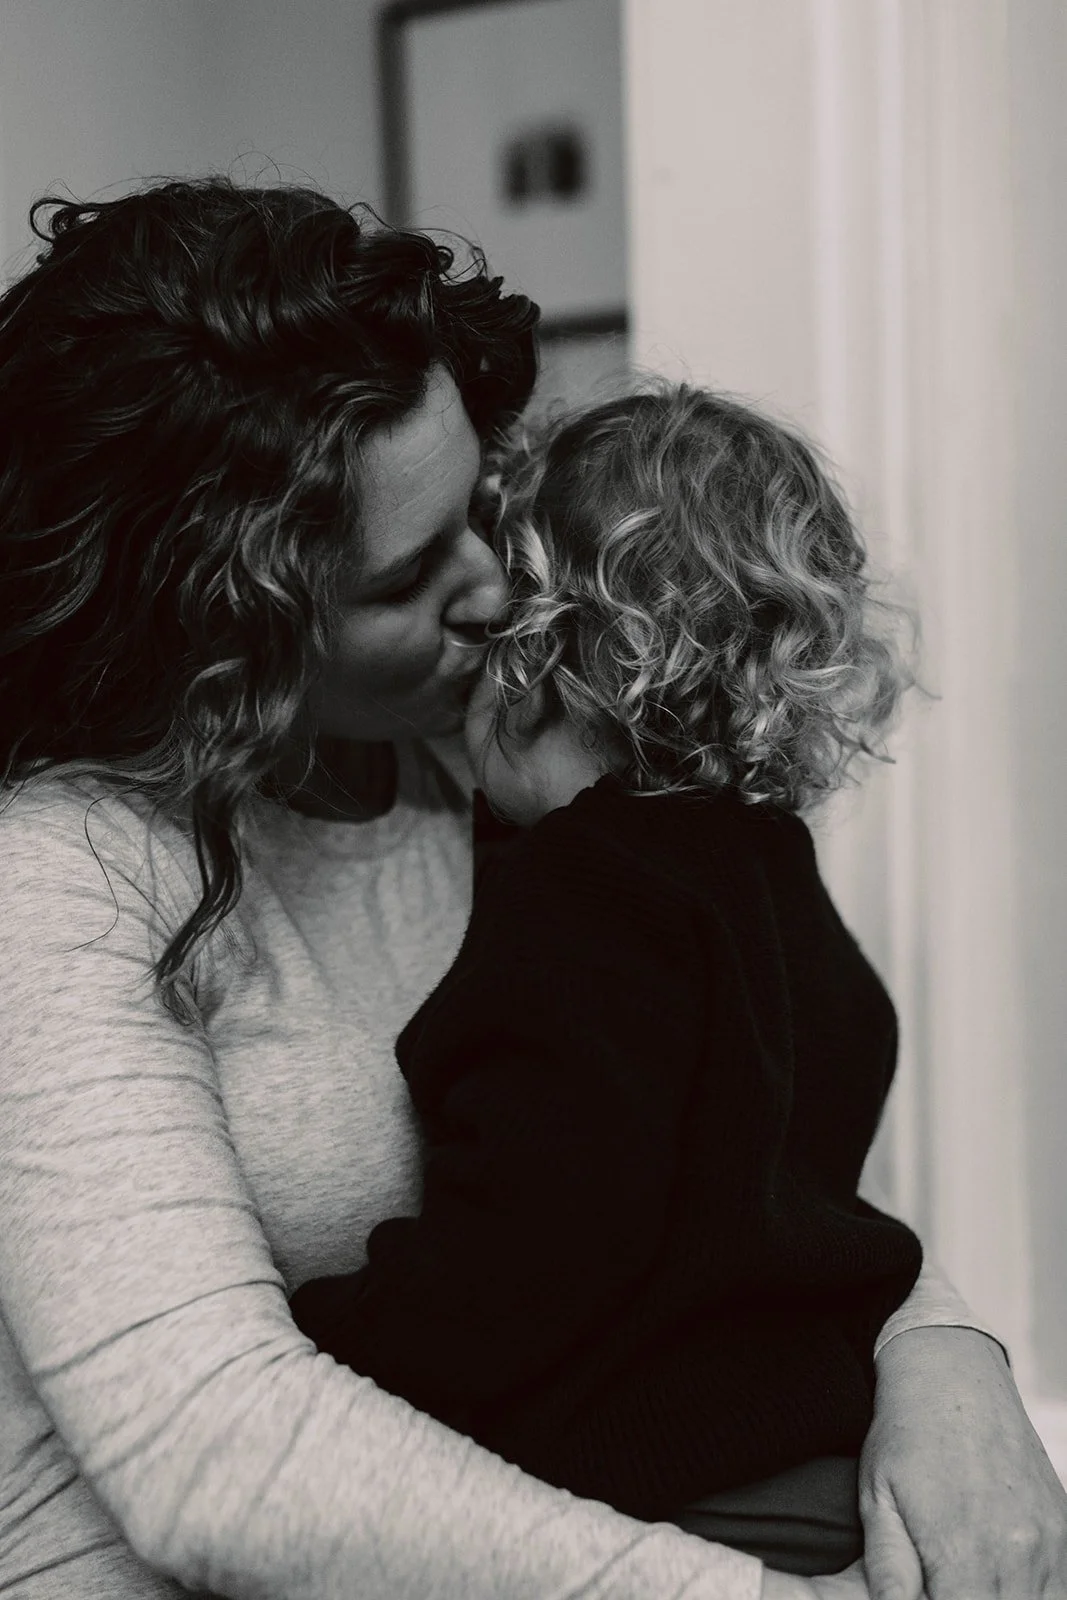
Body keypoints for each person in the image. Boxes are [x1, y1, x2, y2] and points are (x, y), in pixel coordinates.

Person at [0, 176, 1062, 1600]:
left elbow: (742, 1159)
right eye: (403, 575)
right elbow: (216, 1452)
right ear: (218, 622)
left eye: (481, 504)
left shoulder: (506, 765)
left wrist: (941, 1354)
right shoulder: (63, 876)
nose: (499, 585)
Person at [288, 383, 927, 1579]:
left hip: (662, 1501)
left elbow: (522, 1261)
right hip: (821, 1466)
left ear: (538, 661)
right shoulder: (764, 873)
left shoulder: (580, 895)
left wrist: (314, 1328)